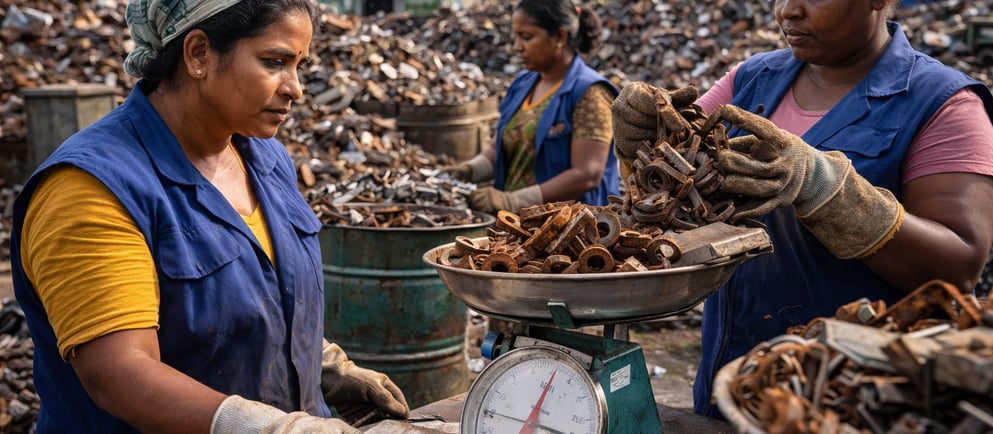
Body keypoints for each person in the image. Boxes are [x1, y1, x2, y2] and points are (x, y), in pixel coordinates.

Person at [10, 0, 409, 432]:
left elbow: (253, 299)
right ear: (199, 53)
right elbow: (120, 375)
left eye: (299, 65)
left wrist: (320, 363)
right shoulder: (92, 188)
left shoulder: (265, 158)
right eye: (274, 62)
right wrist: (274, 428)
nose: (295, 88)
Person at [611, 0, 993, 420]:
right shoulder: (751, 82)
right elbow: (671, 190)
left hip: (861, 400)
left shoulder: (943, 104)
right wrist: (643, 146)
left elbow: (961, 265)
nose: (787, 11)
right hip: (735, 375)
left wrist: (831, 193)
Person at [444, 0, 620, 214]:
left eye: (526, 37)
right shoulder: (523, 83)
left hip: (570, 232)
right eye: (516, 37)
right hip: (517, 228)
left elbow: (587, 174)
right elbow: (501, 147)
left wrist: (512, 201)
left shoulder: (590, 93)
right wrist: (470, 170)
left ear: (559, 37)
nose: (517, 46)